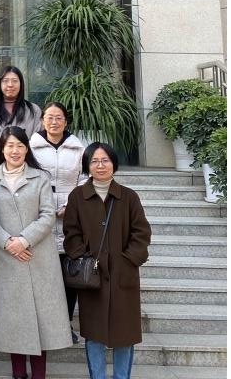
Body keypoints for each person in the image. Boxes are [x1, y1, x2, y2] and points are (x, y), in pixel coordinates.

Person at [0, 125, 72, 379]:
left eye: (20, 146)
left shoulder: (40, 177)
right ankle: (18, 373)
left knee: (40, 321)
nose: (15, 151)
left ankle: (39, 375)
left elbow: (48, 215)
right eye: (9, 145)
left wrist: (24, 240)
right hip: (6, 259)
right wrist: (7, 242)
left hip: (38, 257)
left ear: (27, 149)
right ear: (2, 149)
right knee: (14, 321)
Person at [64, 143, 152, 379]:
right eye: (94, 161)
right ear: (87, 166)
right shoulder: (77, 197)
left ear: (113, 163)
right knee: (94, 334)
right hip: (92, 278)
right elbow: (71, 234)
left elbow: (141, 233)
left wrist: (127, 260)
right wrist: (84, 258)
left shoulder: (129, 197)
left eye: (105, 160)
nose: (100, 165)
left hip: (123, 277)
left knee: (125, 334)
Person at [29, 102, 87, 343]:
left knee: (68, 276)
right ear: (42, 120)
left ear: (66, 121)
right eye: (50, 117)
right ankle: (43, 326)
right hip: (40, 215)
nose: (54, 122)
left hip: (70, 217)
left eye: (59, 117)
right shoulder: (31, 146)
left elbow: (85, 179)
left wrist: (71, 205)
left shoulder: (77, 148)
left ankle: (65, 325)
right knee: (43, 276)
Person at [0, 66, 42, 142]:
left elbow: (38, 141)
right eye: (5, 81)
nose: (10, 85)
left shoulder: (34, 110)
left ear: (21, 84)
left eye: (15, 81)